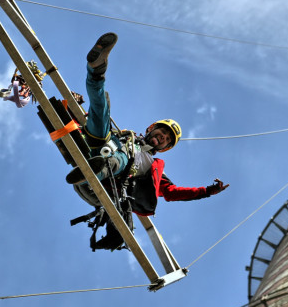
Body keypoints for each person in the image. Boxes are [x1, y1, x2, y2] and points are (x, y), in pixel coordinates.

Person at [67, 32, 229, 249]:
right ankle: (96, 69)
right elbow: (92, 125)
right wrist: (71, 110)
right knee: (102, 106)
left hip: (108, 190)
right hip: (97, 152)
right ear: (151, 129)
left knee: (124, 159)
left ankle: (99, 169)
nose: (162, 137)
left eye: (166, 139)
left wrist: (207, 191)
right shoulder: (126, 136)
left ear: (165, 148)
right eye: (161, 132)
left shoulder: (154, 167)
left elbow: (173, 193)